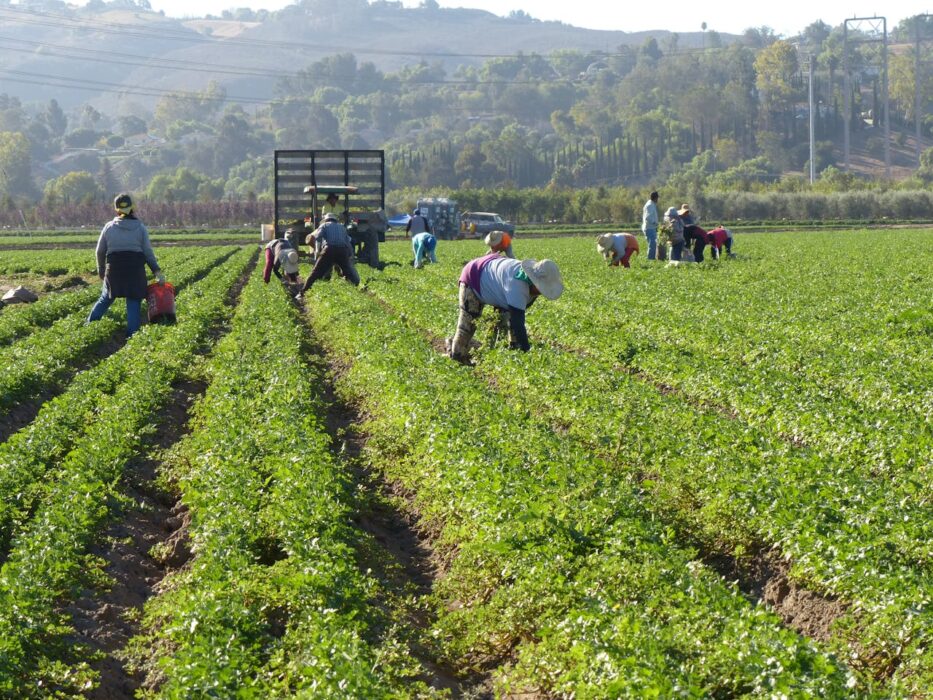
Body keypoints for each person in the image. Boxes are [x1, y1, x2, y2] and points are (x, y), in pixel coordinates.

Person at [446, 253, 563, 363]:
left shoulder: (531, 287)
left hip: (496, 280)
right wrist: (526, 351)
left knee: (502, 324)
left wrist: (517, 347)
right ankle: (456, 356)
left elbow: (514, 317)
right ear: (534, 282)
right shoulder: (517, 287)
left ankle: (497, 350)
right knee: (468, 325)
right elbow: (518, 323)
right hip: (473, 276)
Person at [86, 193, 163, 337]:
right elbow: (147, 253)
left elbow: (100, 251)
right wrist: (157, 272)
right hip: (134, 271)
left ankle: (89, 326)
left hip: (114, 271)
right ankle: (132, 336)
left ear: (116, 209)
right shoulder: (140, 228)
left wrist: (101, 269)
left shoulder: (109, 227)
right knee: (133, 300)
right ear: (132, 208)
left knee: (106, 297)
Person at [296, 212, 359, 299]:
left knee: (315, 272)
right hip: (342, 251)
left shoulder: (324, 225)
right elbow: (348, 242)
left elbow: (318, 238)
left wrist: (317, 251)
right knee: (348, 271)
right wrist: (351, 254)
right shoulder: (342, 227)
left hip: (329, 250)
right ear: (335, 220)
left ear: (326, 220)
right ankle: (356, 286)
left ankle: (302, 293)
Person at [642, 191, 660, 260]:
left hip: (650, 227)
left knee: (652, 244)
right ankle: (650, 259)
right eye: (657, 198)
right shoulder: (650, 205)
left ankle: (651, 258)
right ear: (655, 198)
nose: (658, 199)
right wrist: (655, 223)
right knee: (652, 245)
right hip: (649, 227)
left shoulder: (651, 204)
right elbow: (648, 217)